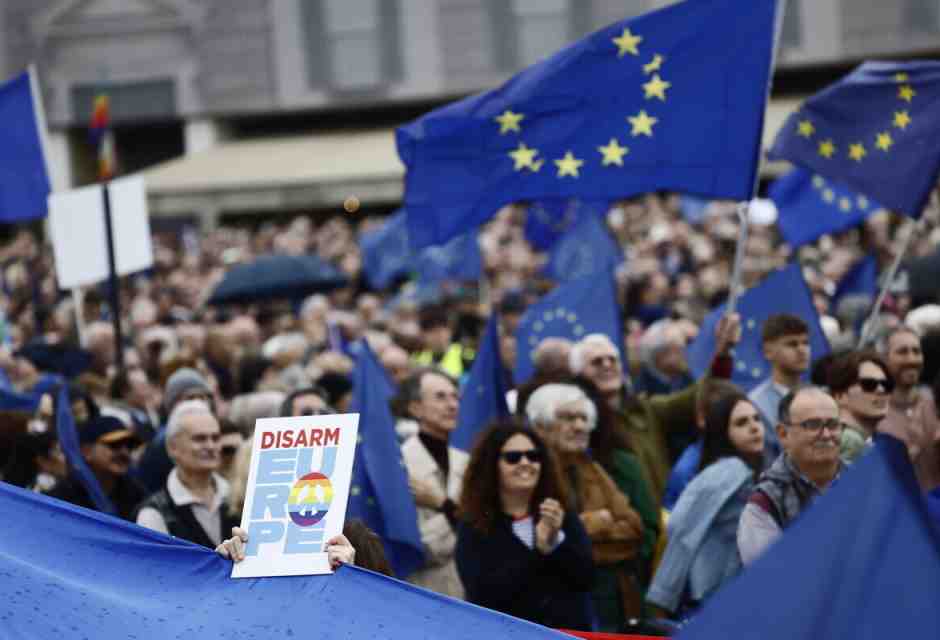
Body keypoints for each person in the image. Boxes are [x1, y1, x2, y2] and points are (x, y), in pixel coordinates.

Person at [569, 314, 739, 505]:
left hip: (662, 521)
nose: (607, 365)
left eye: (613, 359)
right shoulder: (576, 424)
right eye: (597, 362)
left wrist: (723, 353)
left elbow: (701, 395)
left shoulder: (646, 409)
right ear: (578, 374)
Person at [526, 383, 646, 629]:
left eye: (584, 418)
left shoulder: (592, 468)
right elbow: (537, 540)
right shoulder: (529, 470)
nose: (580, 426)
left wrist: (576, 539)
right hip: (555, 608)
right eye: (568, 418)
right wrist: (598, 522)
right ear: (541, 426)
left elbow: (634, 529)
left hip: (609, 603)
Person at [455, 422, 594, 630]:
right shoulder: (475, 525)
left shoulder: (560, 515)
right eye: (513, 458)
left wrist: (556, 544)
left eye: (533, 456)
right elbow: (484, 593)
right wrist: (538, 550)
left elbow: (586, 578)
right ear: (492, 465)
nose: (525, 462)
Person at [647, 388, 764, 619]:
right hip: (716, 600)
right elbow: (679, 527)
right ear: (722, 432)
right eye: (741, 422)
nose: (754, 427)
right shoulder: (728, 471)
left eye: (757, 418)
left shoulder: (739, 469)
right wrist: (664, 595)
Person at [737, 386, 845, 565]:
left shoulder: (866, 484)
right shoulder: (765, 504)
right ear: (783, 434)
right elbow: (773, 579)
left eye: (833, 425)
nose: (826, 435)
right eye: (813, 425)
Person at [396, 367, 467, 597]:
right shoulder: (400, 464)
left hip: (467, 591)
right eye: (440, 397)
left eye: (455, 396)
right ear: (415, 407)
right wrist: (460, 518)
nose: (452, 405)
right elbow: (418, 547)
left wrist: (441, 503)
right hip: (421, 591)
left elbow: (483, 532)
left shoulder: (467, 463)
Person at [135, 400, 238, 548]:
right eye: (199, 439)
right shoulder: (154, 513)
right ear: (172, 447)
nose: (210, 446)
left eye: (215, 438)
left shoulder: (239, 497)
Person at [49, 414, 146, 520]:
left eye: (130, 446)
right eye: (114, 445)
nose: (125, 452)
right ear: (86, 451)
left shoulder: (137, 495)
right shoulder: (61, 499)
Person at [747, 314, 810, 458]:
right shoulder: (756, 405)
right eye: (792, 344)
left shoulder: (820, 396)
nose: (802, 350)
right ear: (768, 351)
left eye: (806, 343)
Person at [827, 351, 892, 462]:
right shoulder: (849, 440)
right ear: (840, 396)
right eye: (869, 384)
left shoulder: (874, 442)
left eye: (886, 385)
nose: (881, 390)